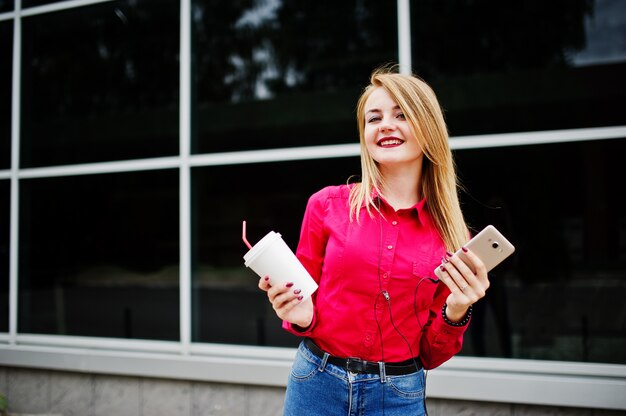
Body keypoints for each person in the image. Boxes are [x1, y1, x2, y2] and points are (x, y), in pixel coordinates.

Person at [258, 65, 490, 416]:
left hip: (398, 394)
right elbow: (303, 308)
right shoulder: (325, 206)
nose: (385, 125)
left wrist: (457, 309)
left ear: (428, 127)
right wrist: (300, 315)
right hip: (317, 384)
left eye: (401, 114)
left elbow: (431, 353)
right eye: (373, 118)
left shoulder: (454, 238)